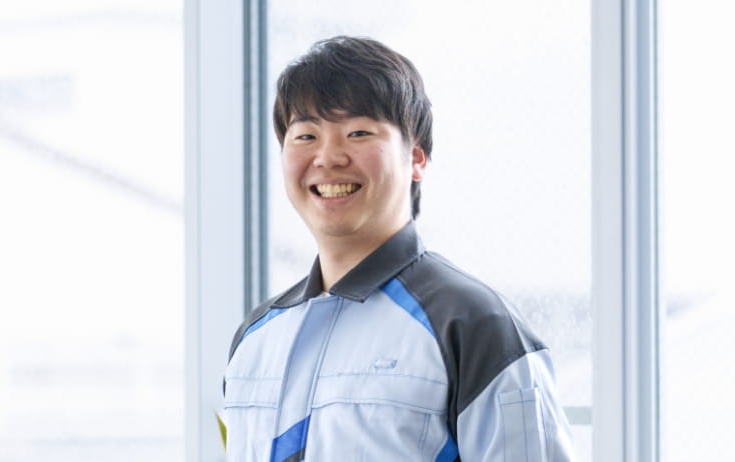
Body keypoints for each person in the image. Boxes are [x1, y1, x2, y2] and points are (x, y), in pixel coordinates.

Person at [222, 35, 575, 461]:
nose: (328, 157)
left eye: (358, 132)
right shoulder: (257, 335)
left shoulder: (474, 325)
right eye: (306, 136)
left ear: (417, 158)